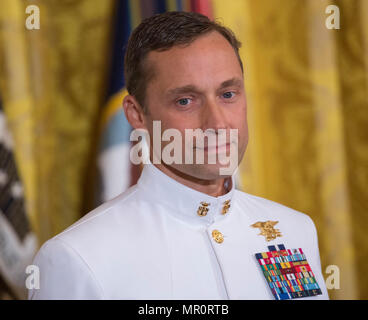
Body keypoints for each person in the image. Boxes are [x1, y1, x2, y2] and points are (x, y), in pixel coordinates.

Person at [28, 11, 329, 300]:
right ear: (137, 115)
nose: (217, 124)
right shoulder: (77, 258)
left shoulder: (293, 230)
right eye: (185, 101)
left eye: (227, 94)